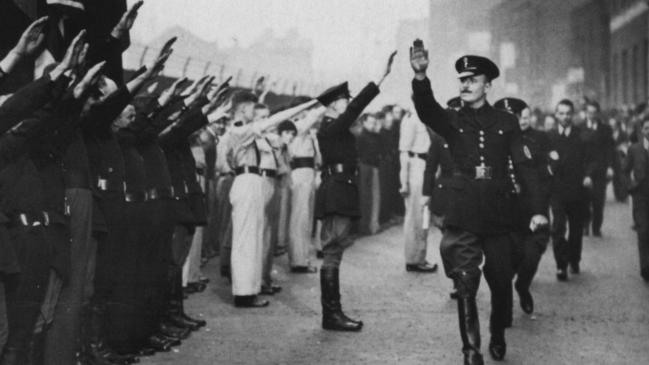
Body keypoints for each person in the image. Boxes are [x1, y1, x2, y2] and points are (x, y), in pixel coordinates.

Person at [410, 42, 547, 364]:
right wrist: (420, 76)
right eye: (462, 80)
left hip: (500, 213)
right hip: (464, 209)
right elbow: (427, 109)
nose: (465, 85)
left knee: (501, 283)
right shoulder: (452, 119)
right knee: (466, 281)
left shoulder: (506, 121)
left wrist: (538, 209)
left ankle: (498, 332)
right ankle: (471, 350)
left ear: (488, 84)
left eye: (472, 80)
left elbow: (525, 168)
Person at [314, 50, 396, 332]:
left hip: (340, 189)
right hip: (336, 190)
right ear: (333, 106)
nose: (349, 105)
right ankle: (332, 315)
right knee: (333, 250)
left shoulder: (334, 127)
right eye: (344, 102)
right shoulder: (329, 127)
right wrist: (379, 77)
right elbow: (355, 110)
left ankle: (332, 313)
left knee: (334, 250)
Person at [227, 91, 318, 308]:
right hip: (246, 180)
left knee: (253, 239)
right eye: (251, 108)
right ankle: (243, 293)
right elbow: (275, 121)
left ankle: (250, 289)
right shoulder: (240, 128)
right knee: (246, 241)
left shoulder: (249, 132)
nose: (253, 113)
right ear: (242, 109)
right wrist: (312, 104)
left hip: (253, 181)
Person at [494, 98, 552, 317]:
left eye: (515, 117)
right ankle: (501, 318)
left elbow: (541, 180)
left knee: (530, 258)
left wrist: (539, 211)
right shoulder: (491, 146)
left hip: (529, 213)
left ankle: (523, 286)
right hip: (502, 216)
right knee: (502, 270)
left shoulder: (530, 144)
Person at [548, 99, 592, 281]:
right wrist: (549, 165)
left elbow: (590, 159)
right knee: (558, 228)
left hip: (577, 190)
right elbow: (542, 160)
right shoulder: (548, 137)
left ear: (572, 115)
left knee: (575, 229)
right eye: (561, 113)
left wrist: (588, 175)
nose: (565, 117)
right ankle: (561, 265)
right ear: (556, 115)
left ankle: (574, 258)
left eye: (568, 113)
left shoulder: (581, 136)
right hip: (557, 190)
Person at [287, 98, 325, 273]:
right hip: (300, 174)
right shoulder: (297, 126)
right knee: (300, 218)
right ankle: (298, 260)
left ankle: (302, 258)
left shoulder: (309, 132)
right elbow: (310, 119)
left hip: (309, 173)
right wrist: (323, 105)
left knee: (306, 217)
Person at [398, 108, 437, 273]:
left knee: (424, 216)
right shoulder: (411, 120)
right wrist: (404, 182)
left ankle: (420, 256)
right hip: (416, 167)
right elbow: (404, 152)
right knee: (415, 216)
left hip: (426, 167)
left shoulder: (425, 118)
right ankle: (413, 259)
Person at [580, 100, 615, 237]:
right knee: (584, 200)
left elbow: (610, 150)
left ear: (598, 113)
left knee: (598, 201)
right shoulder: (579, 128)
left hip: (600, 170)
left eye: (594, 113)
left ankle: (596, 227)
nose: (592, 115)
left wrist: (610, 167)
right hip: (583, 170)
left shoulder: (605, 130)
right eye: (589, 112)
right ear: (586, 113)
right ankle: (585, 225)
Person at [623, 118, 649, 281]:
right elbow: (625, 170)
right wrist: (630, 186)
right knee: (644, 231)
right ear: (642, 131)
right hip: (640, 196)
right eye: (647, 128)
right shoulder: (634, 149)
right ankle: (645, 267)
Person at [356, 113, 382, 235]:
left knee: (371, 196)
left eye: (374, 122)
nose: (372, 125)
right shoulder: (361, 136)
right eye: (370, 122)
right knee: (364, 197)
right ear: (364, 122)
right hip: (364, 167)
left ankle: (369, 225)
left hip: (373, 167)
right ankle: (363, 226)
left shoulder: (375, 136)